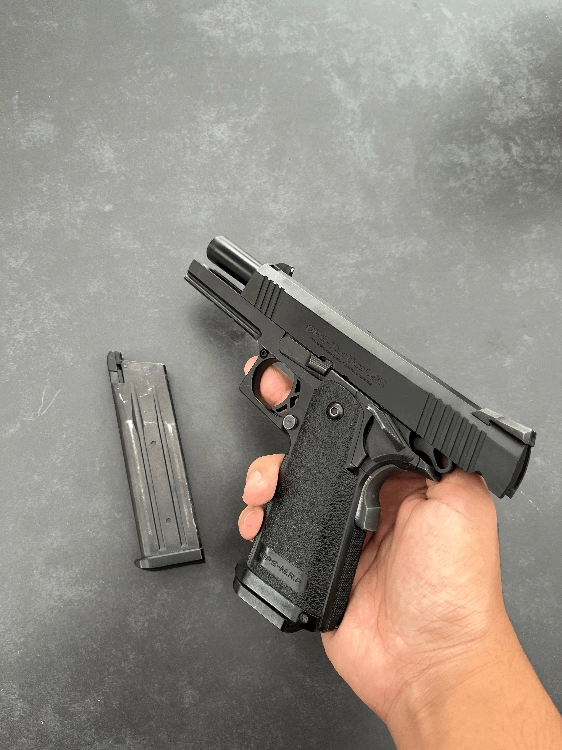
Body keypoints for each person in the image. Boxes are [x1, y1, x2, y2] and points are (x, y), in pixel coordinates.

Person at [237, 356, 562, 749]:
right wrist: (445, 669)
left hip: (356, 403)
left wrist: (443, 662)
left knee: (327, 436)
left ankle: (284, 583)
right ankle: (286, 583)